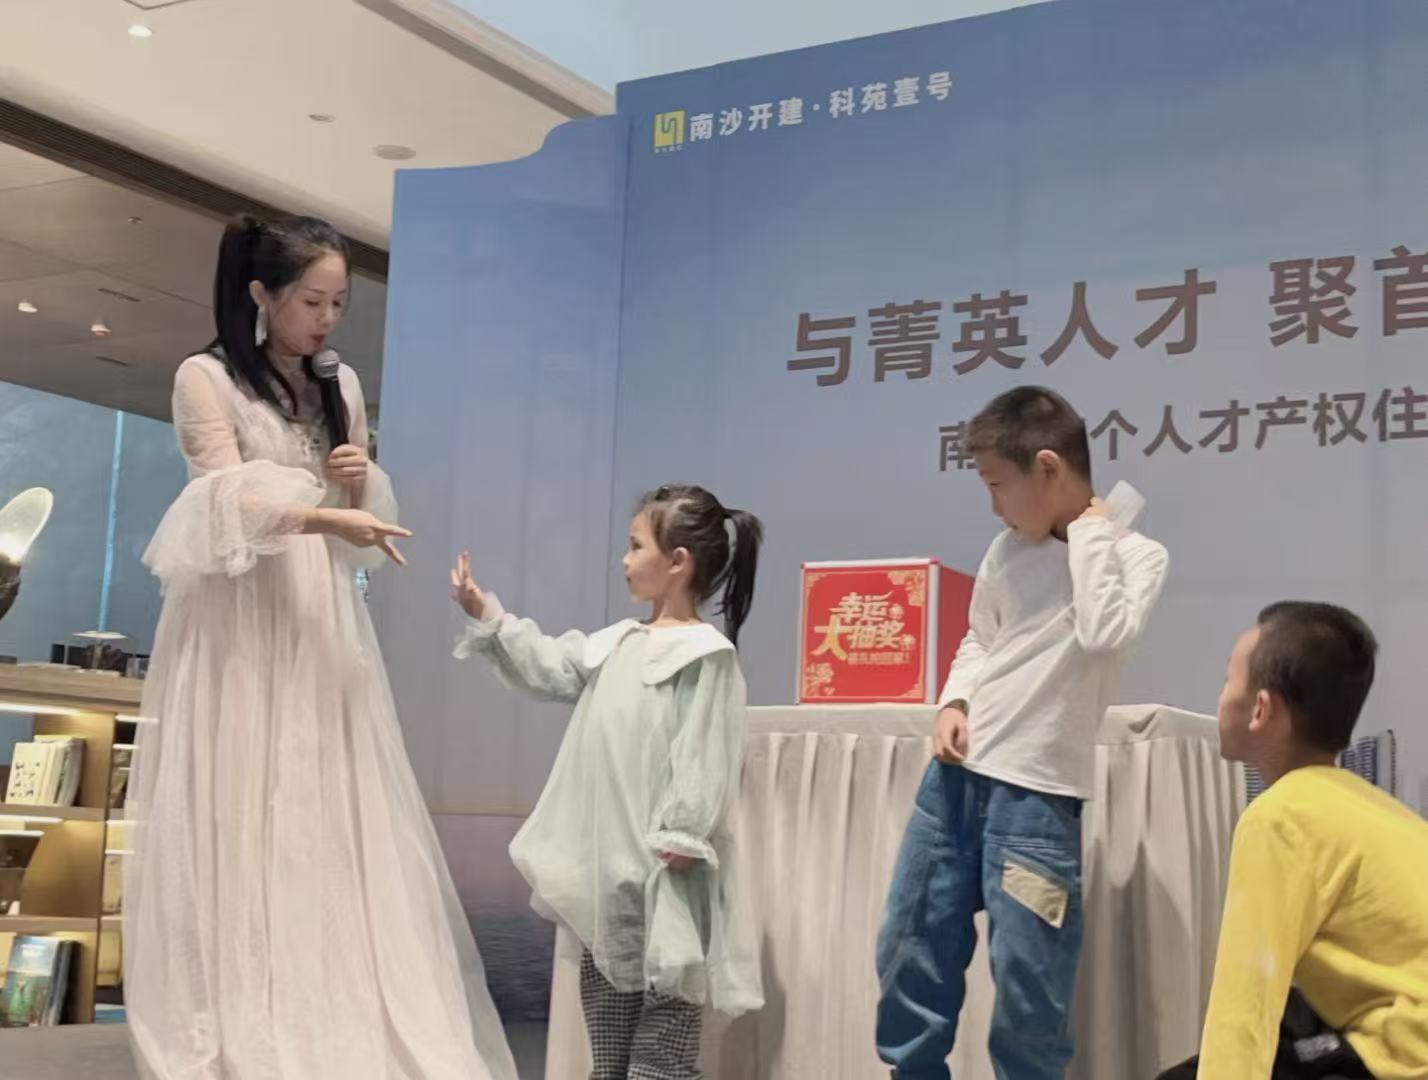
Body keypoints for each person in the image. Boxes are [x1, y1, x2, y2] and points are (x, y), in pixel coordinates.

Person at [125, 214, 517, 1080]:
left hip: (318, 613)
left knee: (325, 796)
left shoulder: (339, 383)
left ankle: (330, 997)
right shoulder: (205, 378)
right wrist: (324, 514)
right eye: (312, 300)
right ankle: (243, 1006)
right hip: (239, 616)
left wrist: (356, 486)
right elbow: (220, 503)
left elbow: (353, 518)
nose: (327, 319)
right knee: (241, 795)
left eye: (339, 303)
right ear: (262, 294)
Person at [876, 386, 1169, 1079]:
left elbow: (1104, 634)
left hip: (1037, 800)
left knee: (1030, 991)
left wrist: (1091, 532)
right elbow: (982, 638)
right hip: (954, 782)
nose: (994, 506)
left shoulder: (1137, 556)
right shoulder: (1006, 550)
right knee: (909, 952)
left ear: (1048, 467)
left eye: (997, 485)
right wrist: (954, 701)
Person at [450, 484, 765, 1080]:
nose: (624, 559)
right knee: (610, 1037)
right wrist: (486, 614)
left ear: (677, 561)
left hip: (666, 876)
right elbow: (548, 666)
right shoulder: (618, 643)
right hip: (610, 875)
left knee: (663, 1043)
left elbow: (705, 753)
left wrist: (683, 832)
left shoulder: (703, 654)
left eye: (636, 545)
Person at [1157, 601, 1428, 1080]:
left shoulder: (1279, 818)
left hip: (1407, 1053)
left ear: (1260, 710)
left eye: (1226, 680)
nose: (1219, 696)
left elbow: (1246, 999)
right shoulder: (1374, 807)